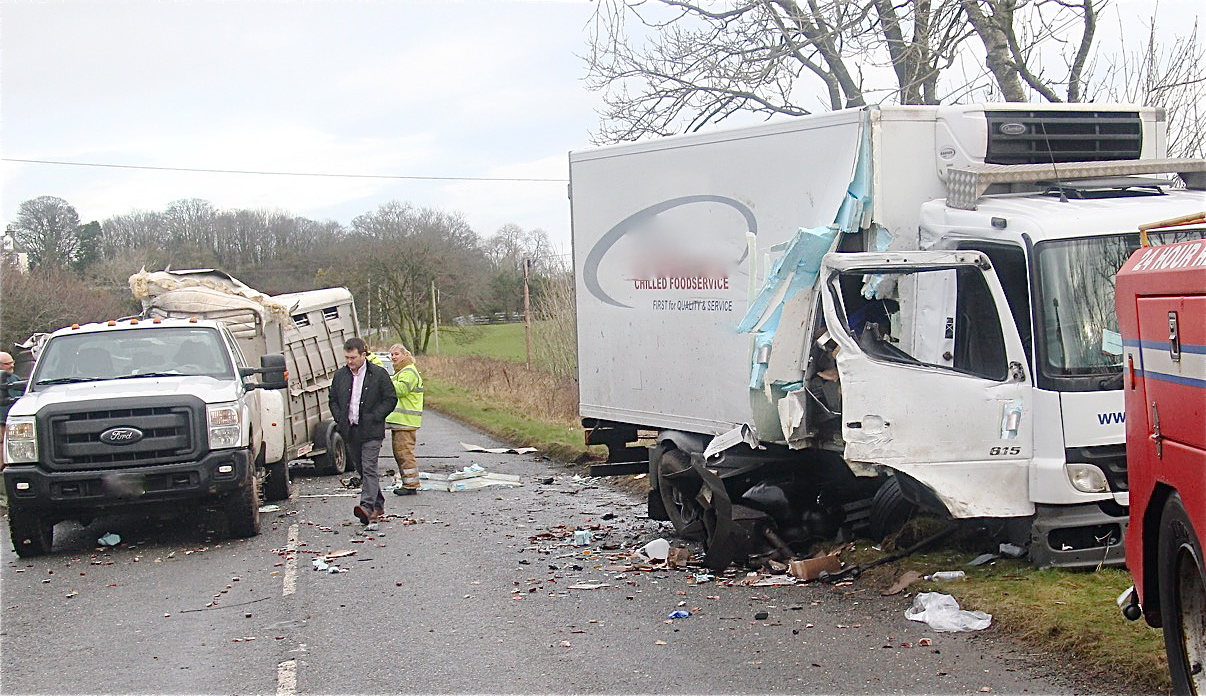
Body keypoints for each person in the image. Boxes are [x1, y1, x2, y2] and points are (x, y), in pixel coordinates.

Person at [328, 337, 395, 525]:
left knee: (369, 466)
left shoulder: (378, 374)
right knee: (362, 469)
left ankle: (367, 507)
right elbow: (332, 399)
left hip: (372, 430)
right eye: (347, 358)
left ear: (363, 355)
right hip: (350, 430)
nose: (350, 362)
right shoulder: (340, 376)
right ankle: (379, 503)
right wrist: (339, 418)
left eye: (353, 358)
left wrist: (375, 416)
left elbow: (390, 399)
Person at [387, 344, 424, 496]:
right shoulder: (401, 371)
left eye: (396, 354)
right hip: (402, 422)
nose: (393, 357)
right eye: (392, 355)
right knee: (400, 452)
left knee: (404, 453)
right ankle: (408, 483)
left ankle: (411, 485)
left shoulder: (408, 371)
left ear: (405, 354)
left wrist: (384, 383)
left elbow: (401, 390)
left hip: (406, 421)